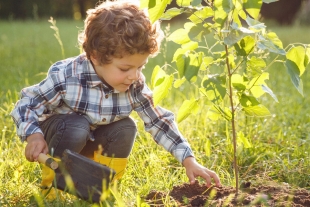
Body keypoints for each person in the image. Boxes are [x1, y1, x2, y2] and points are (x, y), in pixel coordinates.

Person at [10, 0, 221, 200]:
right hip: (61, 137)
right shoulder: (68, 77)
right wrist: (33, 136)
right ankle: (53, 186)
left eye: (140, 66)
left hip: (92, 143)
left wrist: (188, 159)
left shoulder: (134, 85)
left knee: (126, 127)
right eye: (125, 68)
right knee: (77, 126)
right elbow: (27, 103)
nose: (135, 75)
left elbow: (158, 121)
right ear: (95, 56)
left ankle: (99, 186)